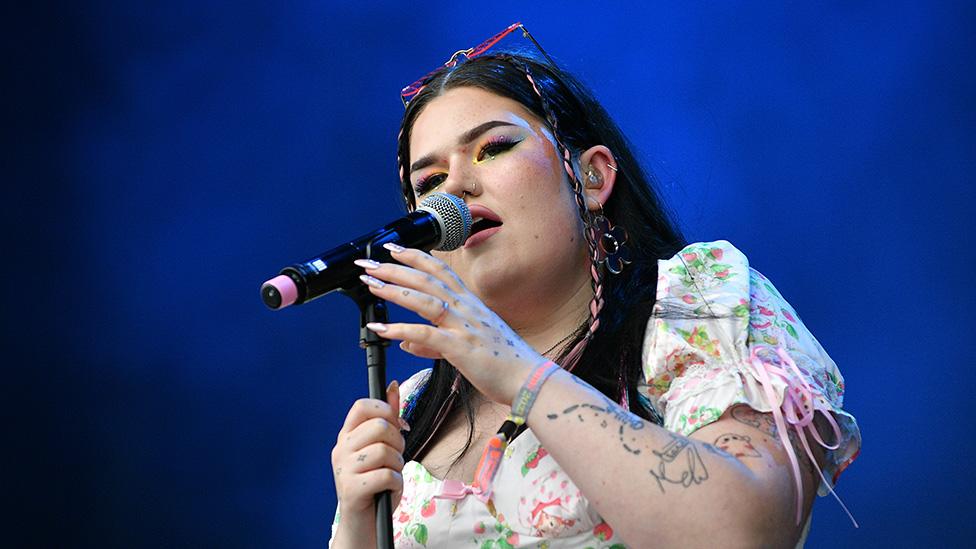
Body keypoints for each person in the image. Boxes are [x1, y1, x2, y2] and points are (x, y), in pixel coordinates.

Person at [329, 25, 860, 548]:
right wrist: (356, 528)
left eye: (492, 148)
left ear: (592, 178)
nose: (456, 188)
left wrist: (520, 374)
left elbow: (743, 531)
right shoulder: (415, 409)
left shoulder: (696, 302)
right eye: (429, 183)